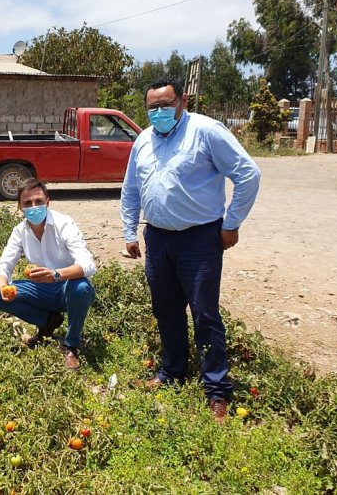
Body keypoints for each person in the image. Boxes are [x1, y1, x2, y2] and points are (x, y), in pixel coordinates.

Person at [120, 77, 261, 423]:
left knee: (205, 314)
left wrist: (231, 223)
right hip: (158, 239)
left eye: (166, 105)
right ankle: (172, 371)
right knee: (165, 309)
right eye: (153, 107)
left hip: (199, 239)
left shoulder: (206, 131)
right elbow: (131, 189)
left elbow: (248, 173)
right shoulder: (142, 140)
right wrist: (129, 231)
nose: (159, 112)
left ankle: (216, 389)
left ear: (182, 101)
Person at [0, 178, 96, 370]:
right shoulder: (20, 231)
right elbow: (2, 267)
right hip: (41, 290)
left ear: (48, 201)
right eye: (27, 203)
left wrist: (56, 274)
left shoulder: (64, 224)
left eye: (38, 201)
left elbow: (88, 264)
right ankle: (47, 322)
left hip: (66, 289)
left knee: (81, 288)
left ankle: (71, 345)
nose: (34, 207)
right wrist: (4, 286)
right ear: (20, 207)